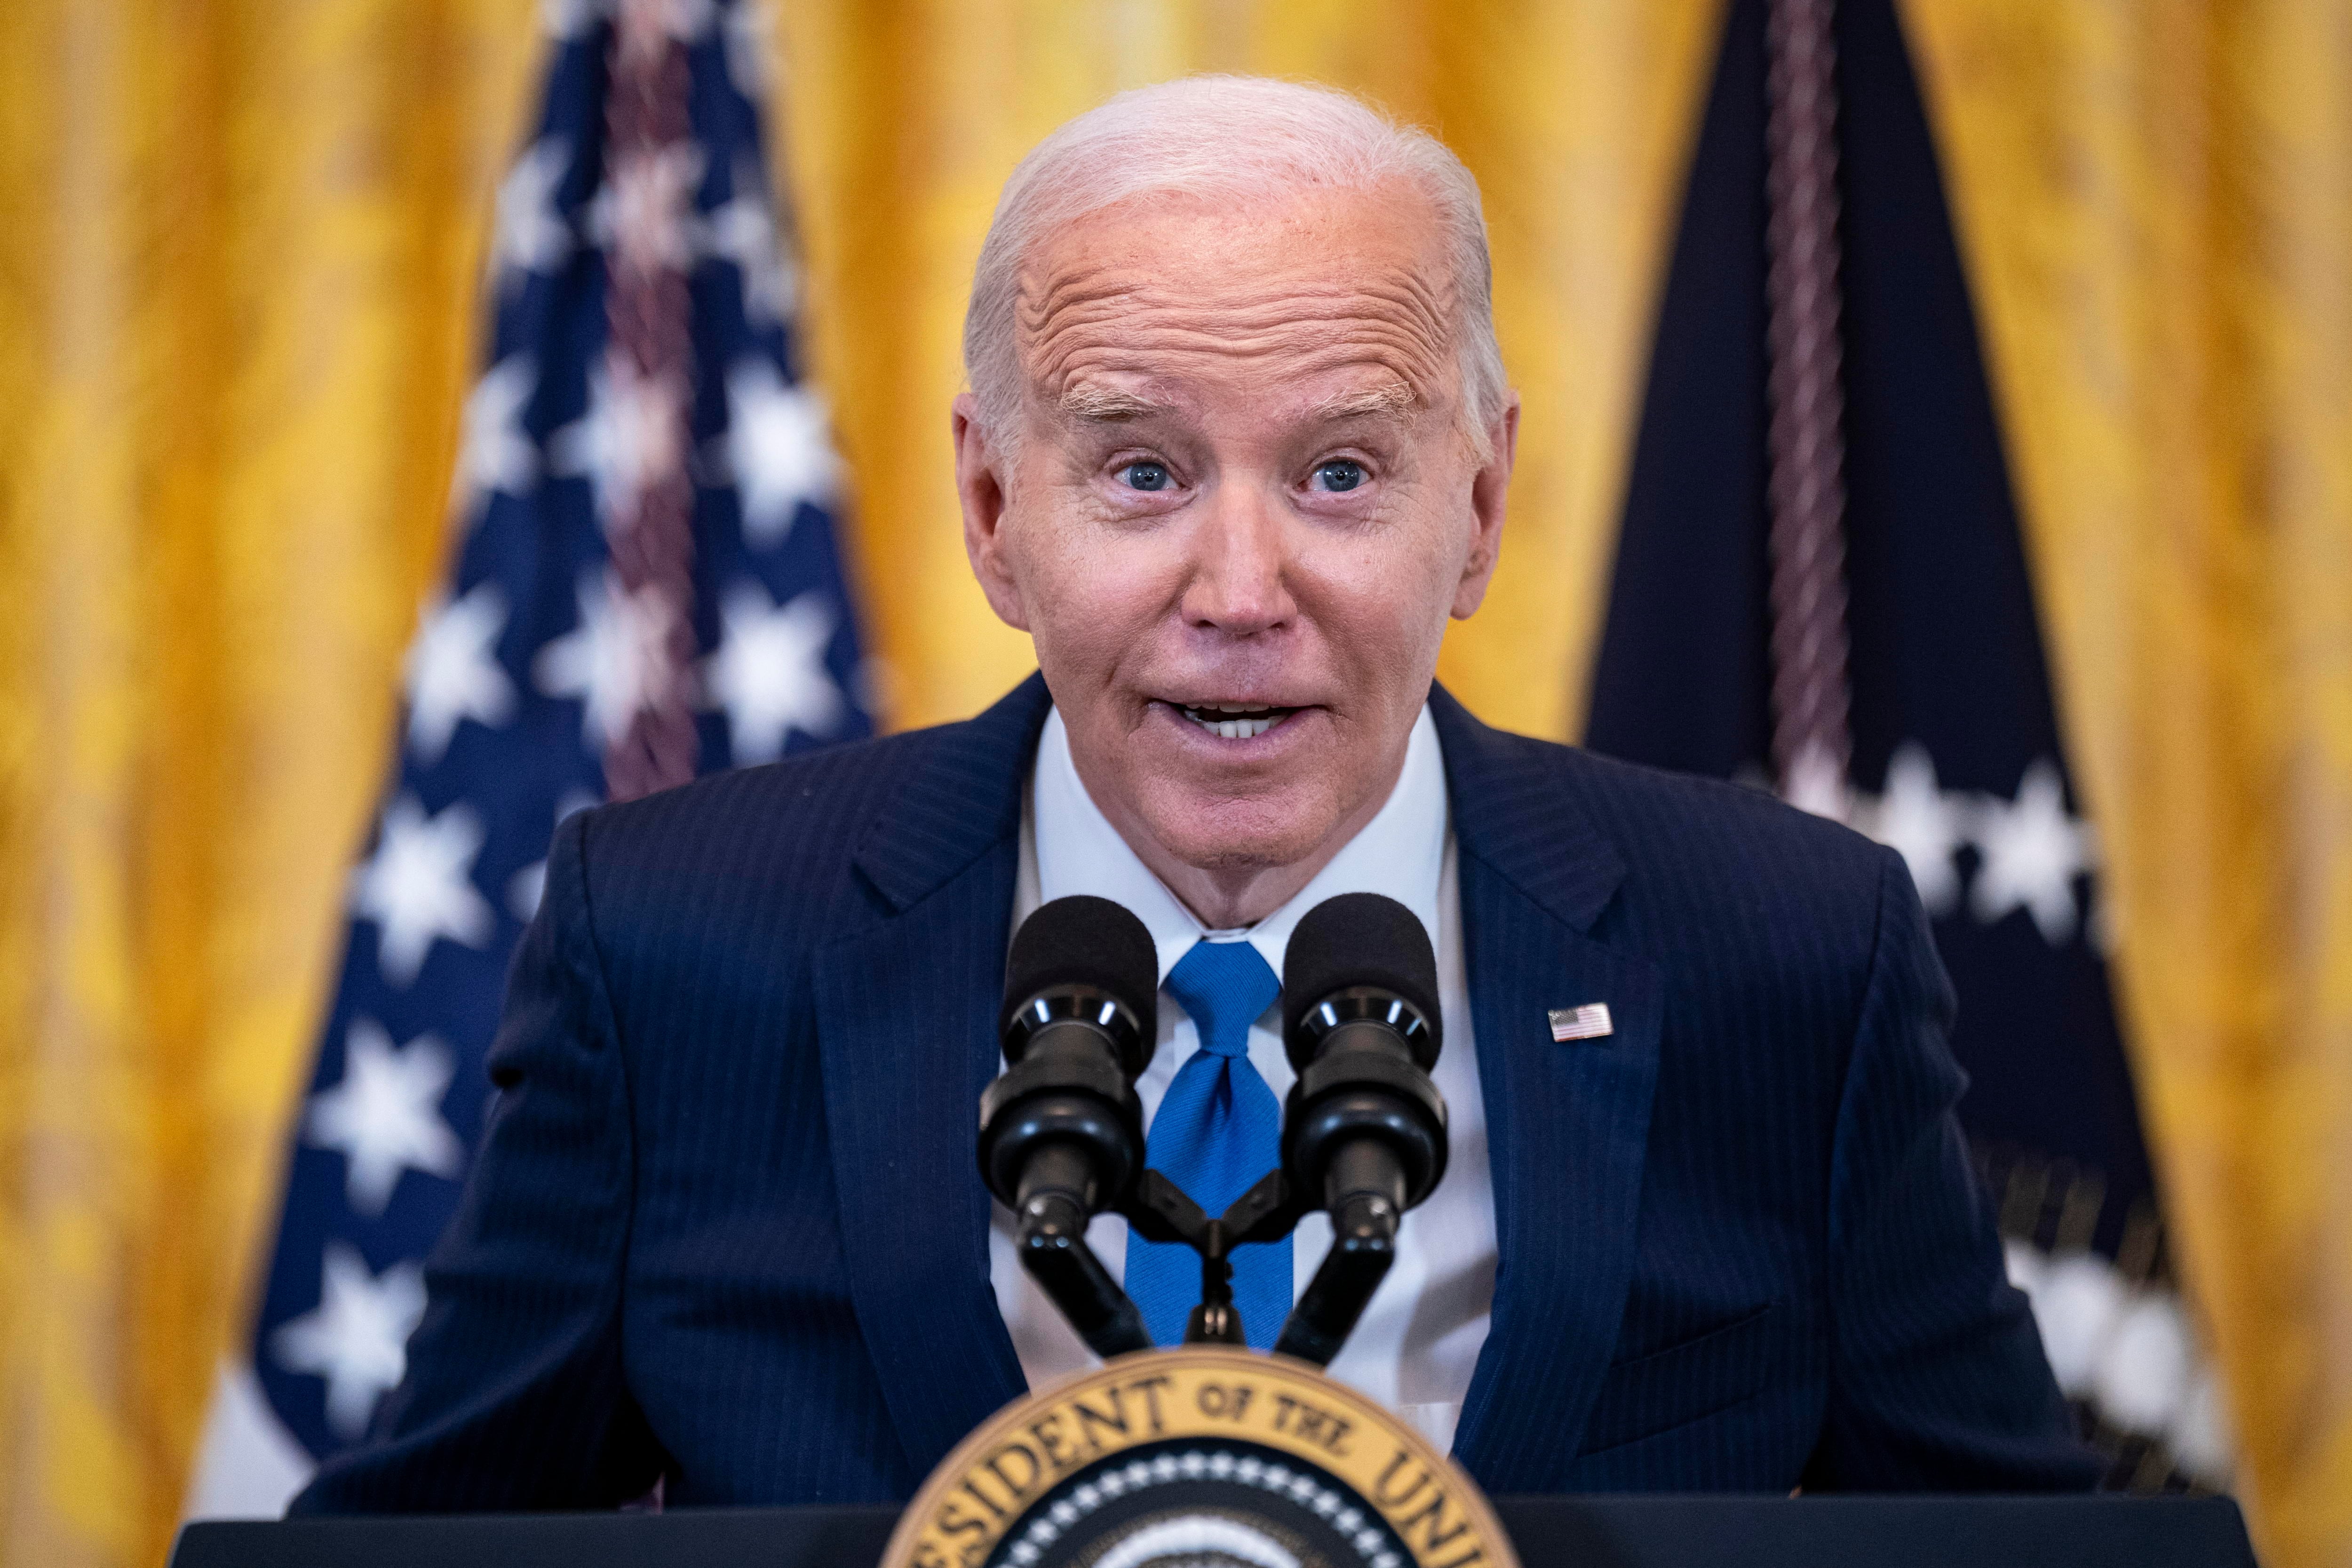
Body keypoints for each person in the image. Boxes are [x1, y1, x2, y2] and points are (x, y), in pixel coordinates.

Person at [294, 75, 2098, 1512]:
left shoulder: (1789, 955)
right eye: (1143, 472)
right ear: (997, 511)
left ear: (1475, 509)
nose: (1242, 592)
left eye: (1337, 472)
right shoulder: (675, 944)